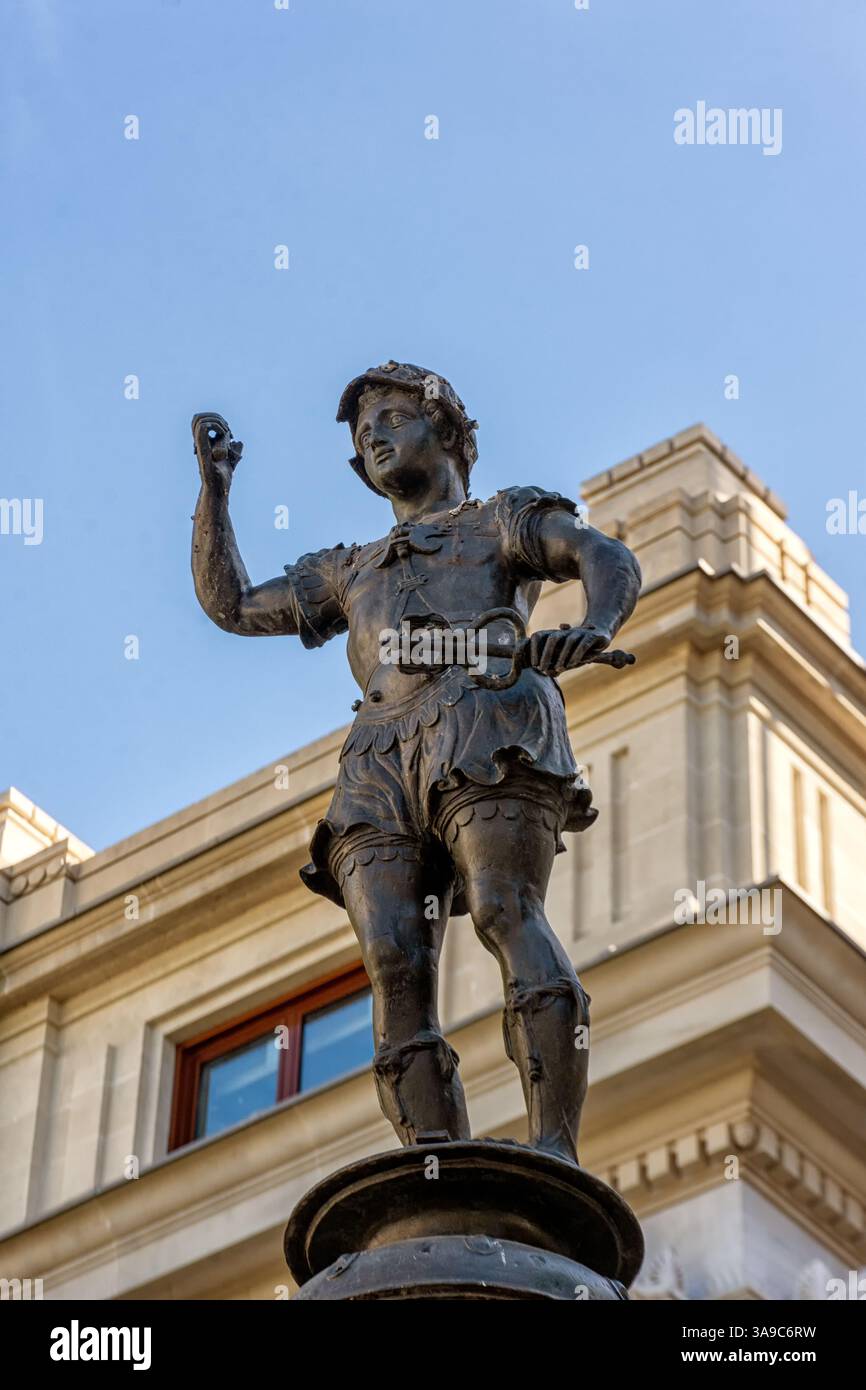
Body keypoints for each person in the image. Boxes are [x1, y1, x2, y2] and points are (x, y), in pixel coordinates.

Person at [191, 360, 641, 1164]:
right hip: (375, 757)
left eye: (393, 419)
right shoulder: (349, 568)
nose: (376, 438)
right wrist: (215, 490)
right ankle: (433, 1168)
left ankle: (553, 1148)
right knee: (395, 963)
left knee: (506, 909)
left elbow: (603, 555)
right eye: (365, 437)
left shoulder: (502, 519)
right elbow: (230, 605)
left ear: (448, 428)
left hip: (486, 713)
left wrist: (596, 625)